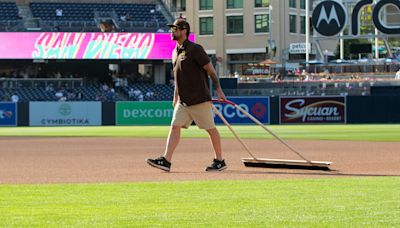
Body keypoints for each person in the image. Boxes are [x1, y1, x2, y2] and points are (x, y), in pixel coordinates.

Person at [146, 18, 227, 172]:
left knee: (210, 129)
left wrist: (219, 90)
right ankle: (166, 160)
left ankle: (219, 160)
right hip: (183, 101)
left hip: (199, 99)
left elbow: (211, 71)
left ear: (184, 31)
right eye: (172, 29)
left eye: (175, 29)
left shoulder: (195, 49)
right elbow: (178, 76)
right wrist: (175, 95)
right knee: (175, 127)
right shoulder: (174, 52)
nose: (172, 31)